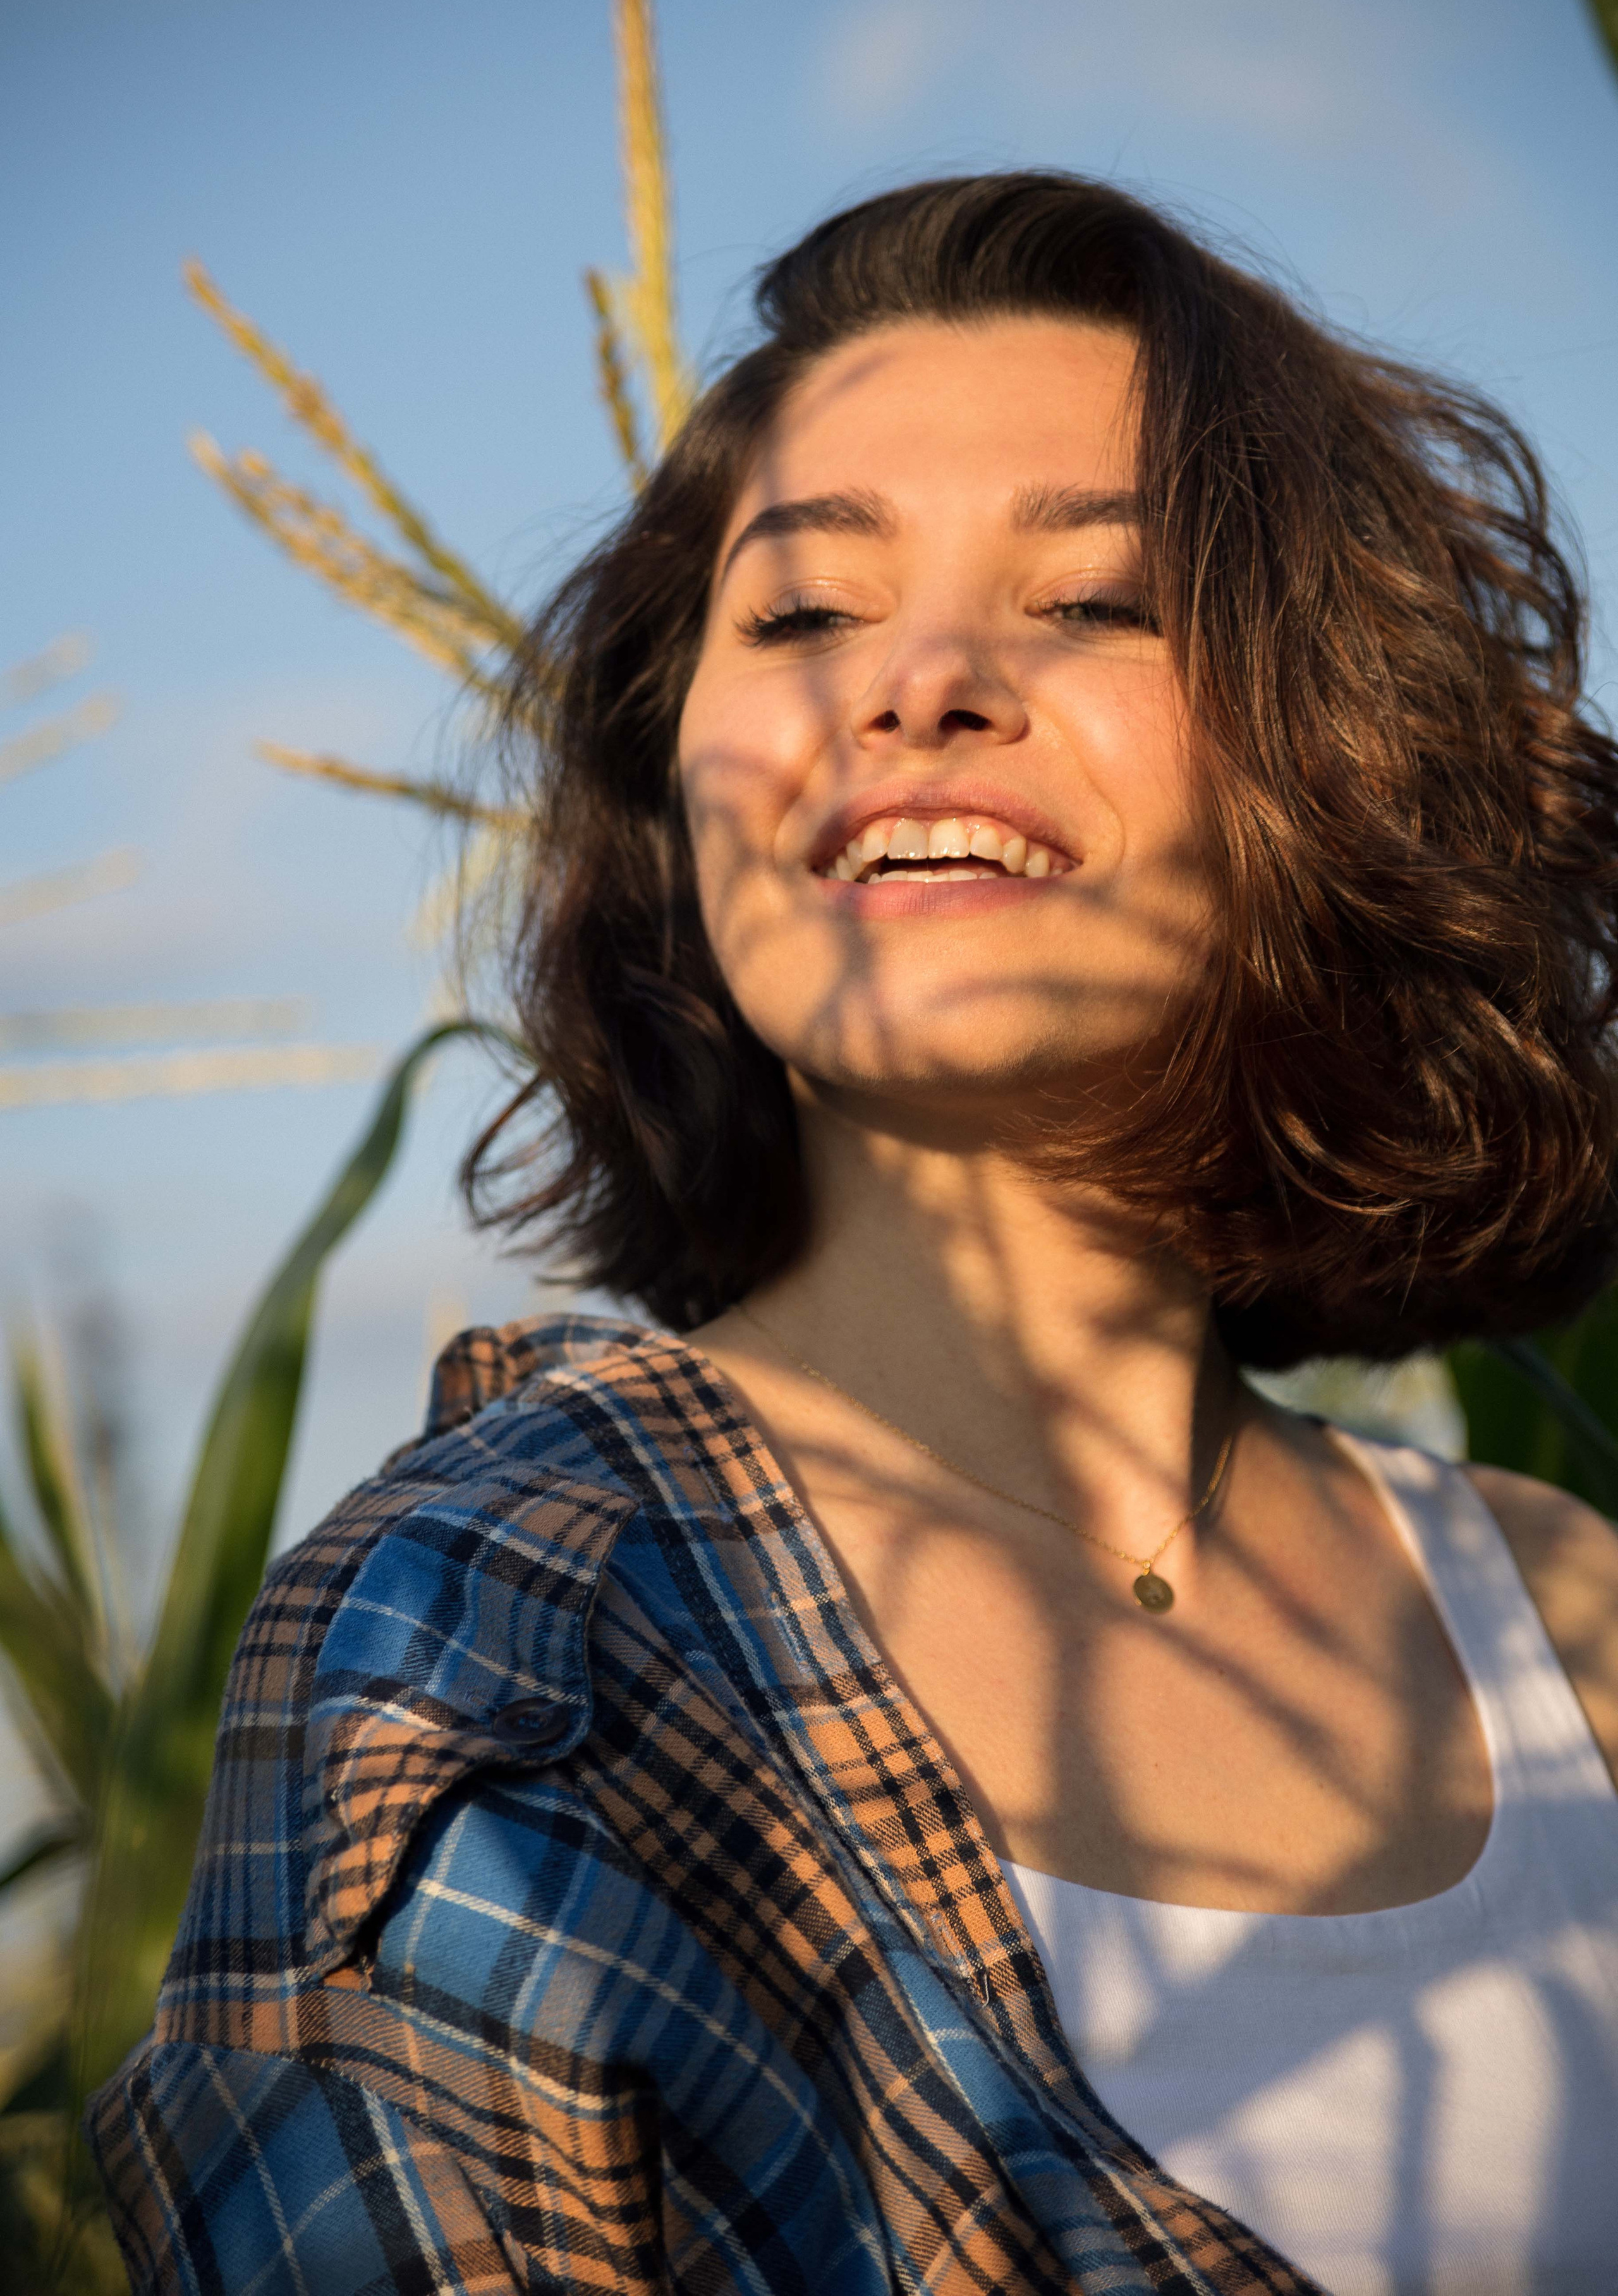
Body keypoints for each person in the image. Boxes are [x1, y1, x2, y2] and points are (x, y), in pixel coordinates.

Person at [90, 174, 1618, 2295]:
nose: (917, 683)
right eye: (803, 615)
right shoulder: (491, 1639)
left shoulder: (1571, 1627)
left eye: (1096, 600)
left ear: (1335, 750)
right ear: (679, 782)